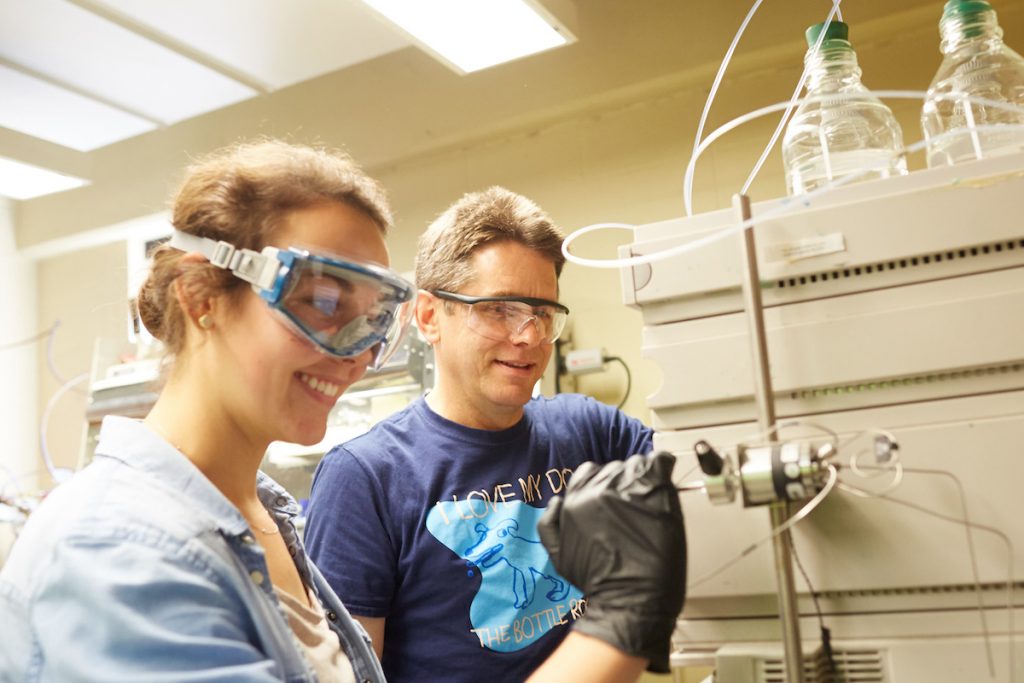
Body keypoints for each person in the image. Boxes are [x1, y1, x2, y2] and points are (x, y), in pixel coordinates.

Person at [0, 143, 685, 683]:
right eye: (324, 303)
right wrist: (617, 627)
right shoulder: (117, 554)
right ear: (200, 296)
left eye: (372, 318)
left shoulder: (266, 519)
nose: (356, 355)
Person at [304, 187, 670, 682]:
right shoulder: (367, 476)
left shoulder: (589, 431)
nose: (529, 337)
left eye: (543, 312)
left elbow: (699, 468)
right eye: (500, 309)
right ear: (430, 317)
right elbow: (352, 674)